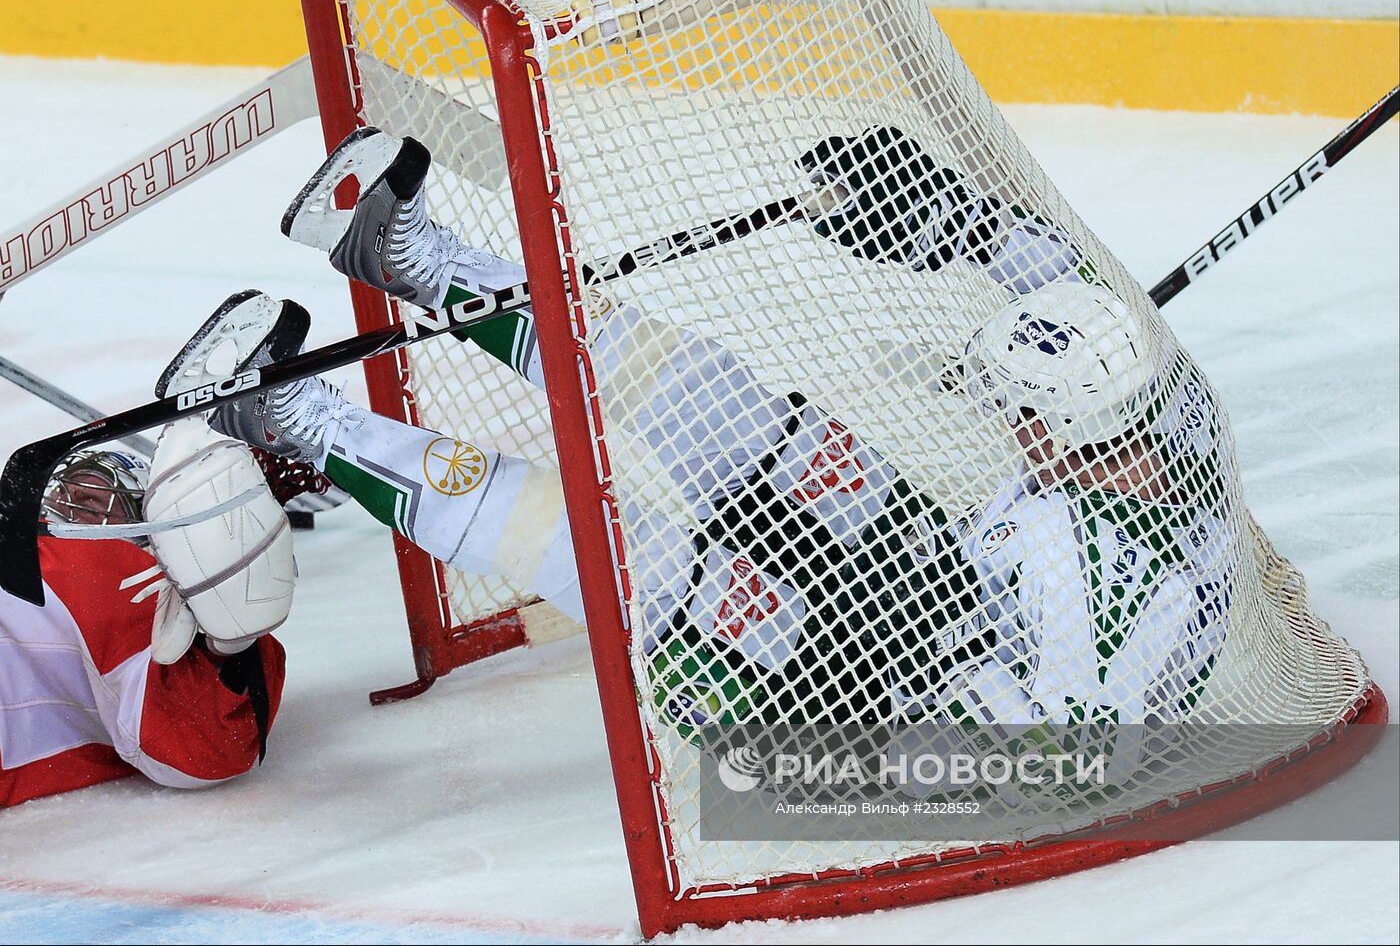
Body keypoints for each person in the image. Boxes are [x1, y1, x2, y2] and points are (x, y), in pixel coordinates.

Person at [165, 127, 1232, 738]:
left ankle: (288, 416)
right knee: (713, 398)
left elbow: (1048, 760)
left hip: (852, 702)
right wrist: (956, 223)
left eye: (1017, 415)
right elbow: (1082, 292)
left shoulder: (1093, 580)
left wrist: (904, 674)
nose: (1003, 425)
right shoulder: (1163, 415)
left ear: (1062, 426)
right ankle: (413, 257)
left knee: (615, 540)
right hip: (929, 577)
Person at [0, 431, 293, 807]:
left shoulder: (123, 577)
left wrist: (229, 650)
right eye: (60, 497)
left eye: (90, 500)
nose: (66, 511)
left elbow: (200, 750)